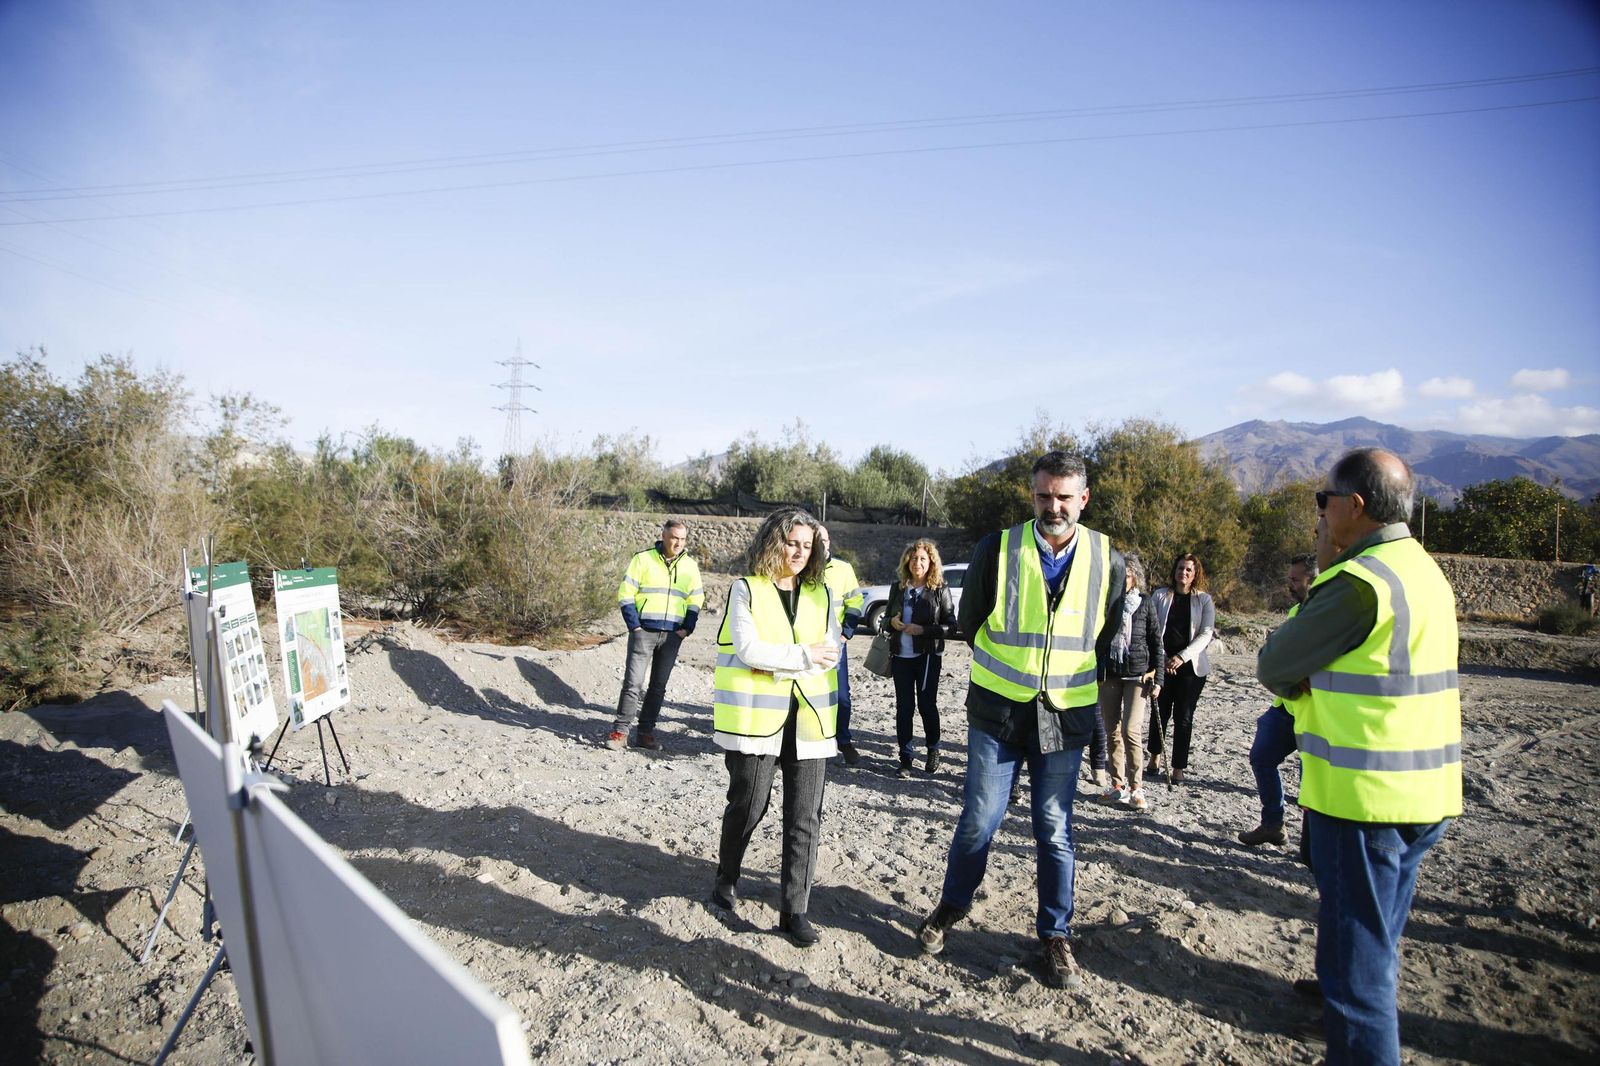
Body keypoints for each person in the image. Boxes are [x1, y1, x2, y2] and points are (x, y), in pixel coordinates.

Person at [1258, 448, 1461, 1065]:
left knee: (1358, 982)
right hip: (1423, 794)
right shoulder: (1421, 570)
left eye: (1323, 502)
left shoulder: (1358, 582)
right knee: (1374, 944)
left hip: (1365, 799)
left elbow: (1274, 665)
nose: (1318, 515)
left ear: (1355, 506)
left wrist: (1324, 568)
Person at [916, 451, 1125, 990]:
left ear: (1084, 498)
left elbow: (1102, 637)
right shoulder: (998, 547)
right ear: (1031, 495)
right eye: (1043, 496)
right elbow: (969, 621)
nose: (1053, 506)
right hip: (999, 709)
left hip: (1064, 713)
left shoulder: (1108, 558)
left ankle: (1056, 935)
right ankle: (952, 907)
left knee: (1054, 829)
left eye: (1063, 497)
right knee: (980, 819)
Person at [709, 507, 841, 948]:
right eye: (792, 543)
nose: (801, 552)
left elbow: (834, 651)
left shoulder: (822, 595)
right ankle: (727, 875)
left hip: (811, 720)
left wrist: (783, 660)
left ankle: (794, 910)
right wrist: (803, 657)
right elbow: (748, 649)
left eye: (808, 545)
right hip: (757, 721)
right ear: (774, 542)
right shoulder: (746, 589)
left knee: (805, 816)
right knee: (748, 805)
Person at [1238, 553, 1317, 846]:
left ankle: (1311, 844)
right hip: (1285, 706)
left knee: (1312, 780)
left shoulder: (1330, 614)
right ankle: (1273, 823)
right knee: (1261, 756)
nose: (1290, 584)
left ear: (1314, 579)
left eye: (1296, 579)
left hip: (1316, 713)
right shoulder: (1297, 611)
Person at [606, 519, 704, 750]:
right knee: (633, 683)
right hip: (644, 632)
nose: (678, 543)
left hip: (672, 636)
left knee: (658, 687)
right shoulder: (642, 559)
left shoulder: (690, 566)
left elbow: (696, 598)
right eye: (674, 538)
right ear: (664, 536)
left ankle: (645, 734)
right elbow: (625, 593)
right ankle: (620, 732)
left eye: (682, 539)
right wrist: (635, 627)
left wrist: (686, 628)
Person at [1095, 553, 1163, 811]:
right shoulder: (1108, 602)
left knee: (1130, 731)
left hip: (1138, 676)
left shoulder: (1145, 603)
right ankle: (1117, 786)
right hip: (1111, 674)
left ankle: (1137, 788)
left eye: (1126, 573)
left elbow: (1156, 641)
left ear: (1135, 577)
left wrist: (1159, 678)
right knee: (1111, 730)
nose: (1121, 578)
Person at [884, 538, 958, 777]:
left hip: (927, 657)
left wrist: (923, 630)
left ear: (931, 563)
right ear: (907, 560)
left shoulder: (939, 589)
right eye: (914, 558)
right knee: (904, 708)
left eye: (923, 559)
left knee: (927, 706)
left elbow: (951, 626)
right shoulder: (898, 587)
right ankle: (905, 759)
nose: (917, 562)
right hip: (901, 657)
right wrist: (891, 623)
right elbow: (885, 619)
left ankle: (933, 749)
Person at [1145, 553, 1215, 785]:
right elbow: (1152, 628)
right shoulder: (1160, 596)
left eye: (1188, 570)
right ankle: (1154, 757)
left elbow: (1206, 633)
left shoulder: (1203, 600)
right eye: (1180, 568)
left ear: (1195, 574)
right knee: (1160, 713)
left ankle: (1178, 768)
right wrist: (1163, 657)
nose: (1183, 573)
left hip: (1190, 669)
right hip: (1163, 664)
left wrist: (1182, 657)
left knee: (1184, 718)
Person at [818, 526, 866, 765]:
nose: (821, 543)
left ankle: (844, 741)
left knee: (841, 697)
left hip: (836, 643)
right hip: (808, 644)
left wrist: (847, 632)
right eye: (816, 539)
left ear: (829, 541)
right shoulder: (803, 568)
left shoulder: (844, 569)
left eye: (823, 539)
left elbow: (855, 602)